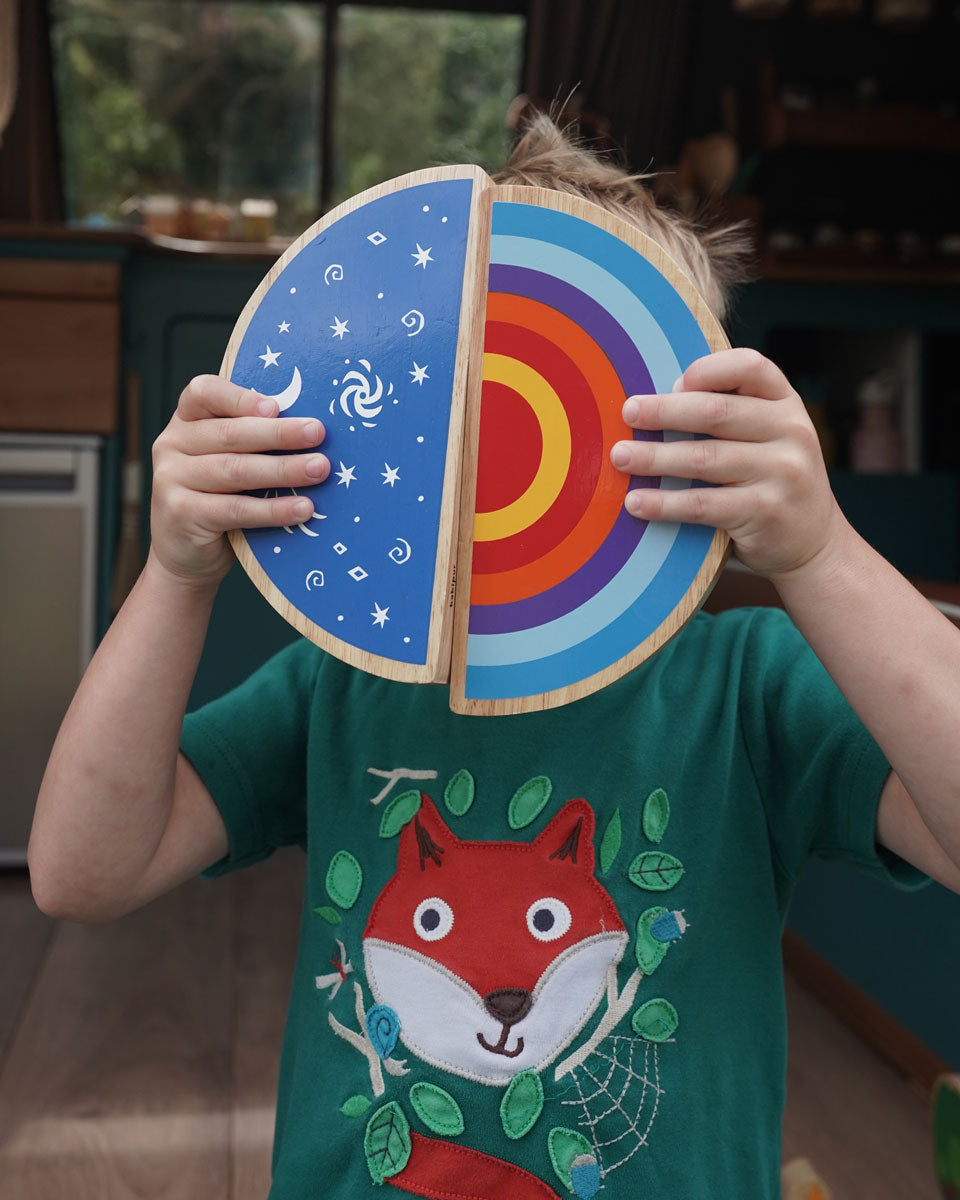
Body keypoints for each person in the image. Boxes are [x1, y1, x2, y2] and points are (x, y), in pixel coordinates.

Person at [29, 116, 960, 1200]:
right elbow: (80, 871)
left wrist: (824, 552)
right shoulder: (343, 685)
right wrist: (175, 574)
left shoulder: (748, 688)